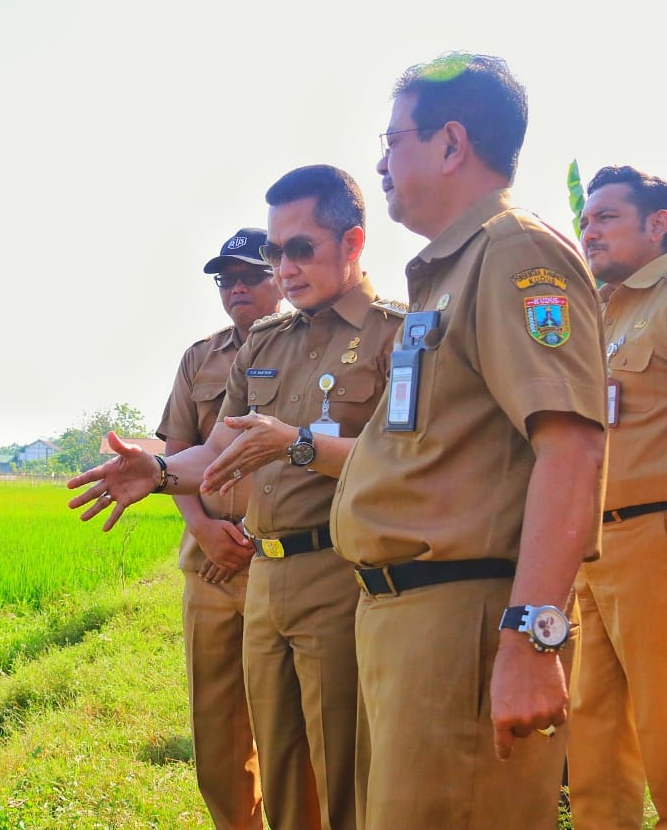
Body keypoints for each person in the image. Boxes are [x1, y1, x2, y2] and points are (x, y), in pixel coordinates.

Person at [73, 165, 403, 829]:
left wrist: (297, 442)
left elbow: (412, 459)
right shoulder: (267, 344)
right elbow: (217, 446)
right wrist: (161, 469)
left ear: (353, 243)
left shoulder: (397, 332)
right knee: (278, 776)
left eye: (300, 249)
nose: (283, 268)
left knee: (343, 776)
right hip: (266, 582)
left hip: (341, 577)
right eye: (276, 252)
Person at [330, 53, 606, 829]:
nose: (379, 162)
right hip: (408, 625)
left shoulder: (516, 251)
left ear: (452, 144)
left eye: (393, 140)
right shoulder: (451, 271)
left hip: (465, 626)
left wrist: (530, 638)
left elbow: (573, 449)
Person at [156, 226, 280, 830]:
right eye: (226, 280)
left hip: (282, 557)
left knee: (291, 724)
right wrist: (202, 528)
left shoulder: (315, 349)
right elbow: (177, 453)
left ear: (281, 274)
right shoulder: (199, 358)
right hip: (208, 560)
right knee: (217, 727)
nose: (236, 289)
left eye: (250, 276)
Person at [569, 164, 667, 828]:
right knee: (594, 745)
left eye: (607, 217)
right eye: (587, 217)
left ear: (658, 224)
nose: (589, 229)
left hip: (654, 543)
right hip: (590, 550)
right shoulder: (593, 312)